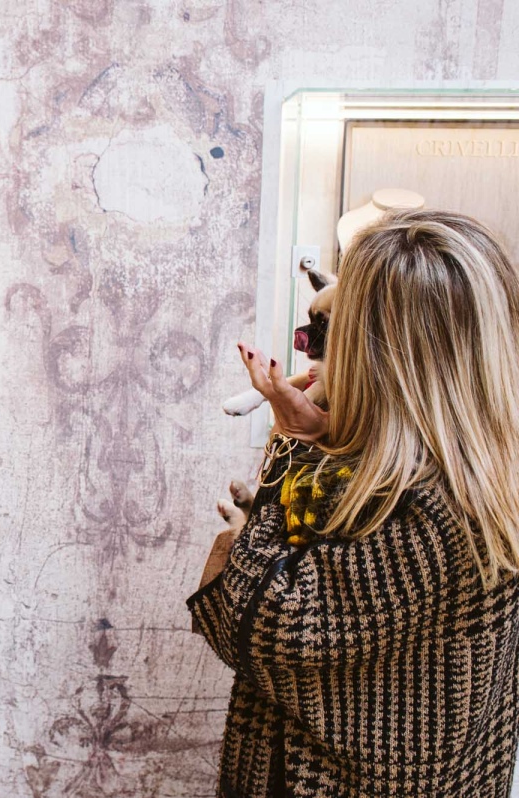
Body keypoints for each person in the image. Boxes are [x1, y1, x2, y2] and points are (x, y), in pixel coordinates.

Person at [189, 209, 519, 796]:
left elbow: (254, 620)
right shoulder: (479, 472)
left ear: (386, 354)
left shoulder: (421, 508)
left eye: (334, 332)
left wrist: (291, 441)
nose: (317, 352)